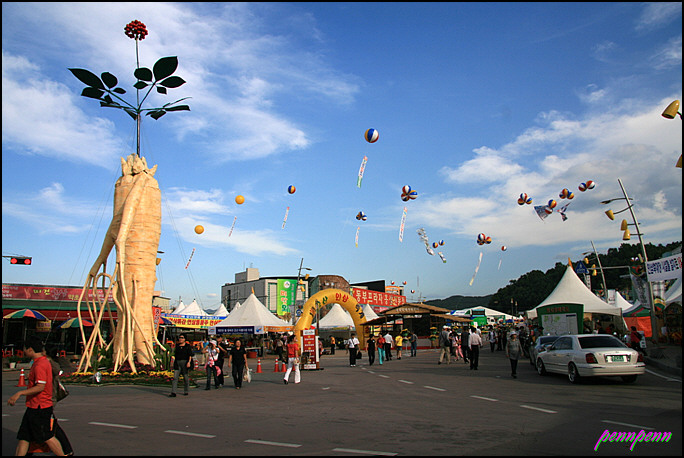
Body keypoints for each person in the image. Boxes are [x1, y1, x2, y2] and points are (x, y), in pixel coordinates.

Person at [7, 336, 66, 456]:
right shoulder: (40, 362)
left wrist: (19, 393)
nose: (23, 351)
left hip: (40, 407)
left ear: (30, 349)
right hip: (33, 406)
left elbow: (40, 387)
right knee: (24, 437)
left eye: (25, 349)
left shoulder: (40, 365)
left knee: (47, 436)